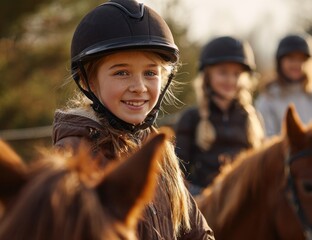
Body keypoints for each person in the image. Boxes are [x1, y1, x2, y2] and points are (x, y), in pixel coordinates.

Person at [51, 0, 214, 239]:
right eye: (121, 72)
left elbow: (196, 231)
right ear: (88, 82)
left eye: (150, 73)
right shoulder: (73, 157)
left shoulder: (158, 149)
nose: (139, 87)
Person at [174, 36, 265, 195]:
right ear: (207, 76)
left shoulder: (252, 118)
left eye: (236, 74)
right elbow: (179, 173)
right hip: (205, 202)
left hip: (244, 199)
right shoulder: (191, 118)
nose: (230, 80)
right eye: (223, 73)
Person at [255, 33, 312, 137]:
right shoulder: (268, 97)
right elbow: (265, 137)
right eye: (291, 59)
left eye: (301, 59)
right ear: (280, 62)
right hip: (280, 152)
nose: (296, 64)